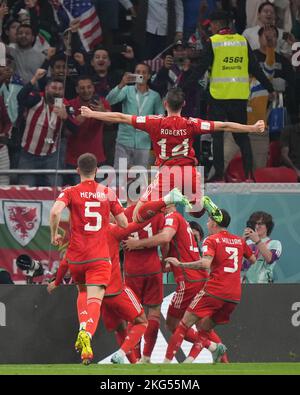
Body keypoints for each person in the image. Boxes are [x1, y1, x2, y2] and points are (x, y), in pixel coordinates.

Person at [80, 86, 265, 222]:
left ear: (164, 103)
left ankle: (172, 198)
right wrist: (252, 128)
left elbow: (121, 117)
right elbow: (224, 125)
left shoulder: (155, 123)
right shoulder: (191, 123)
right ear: (184, 104)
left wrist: (91, 114)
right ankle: (202, 202)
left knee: (139, 212)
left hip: (167, 173)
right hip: (190, 173)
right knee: (196, 211)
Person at [123, 197, 227, 363]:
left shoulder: (171, 218)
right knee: (201, 324)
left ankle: (163, 362)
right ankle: (220, 354)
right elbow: (175, 247)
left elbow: (165, 238)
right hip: (198, 278)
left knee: (172, 324)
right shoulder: (183, 221)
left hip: (188, 281)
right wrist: (168, 260)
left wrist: (137, 244)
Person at [48, 152, 128, 364]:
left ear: (77, 170)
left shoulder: (70, 191)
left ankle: (86, 349)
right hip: (99, 257)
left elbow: (55, 212)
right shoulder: (107, 192)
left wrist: (54, 235)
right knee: (95, 299)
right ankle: (87, 334)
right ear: (97, 171)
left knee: (82, 292)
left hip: (75, 257)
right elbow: (123, 224)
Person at [188, 10, 274, 182]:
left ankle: (219, 174)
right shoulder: (242, 41)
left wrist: (184, 87)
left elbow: (201, 69)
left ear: (219, 24)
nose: (210, 28)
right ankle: (249, 174)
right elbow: (255, 68)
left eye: (211, 24)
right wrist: (269, 87)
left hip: (218, 97)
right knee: (242, 136)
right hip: (238, 97)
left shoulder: (213, 42)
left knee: (218, 136)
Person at [163, 208, 256, 363]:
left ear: (214, 222)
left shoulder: (211, 240)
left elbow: (205, 263)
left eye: (208, 220)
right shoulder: (239, 241)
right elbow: (252, 259)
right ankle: (191, 361)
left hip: (214, 290)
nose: (207, 223)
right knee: (204, 329)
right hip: (234, 295)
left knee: (183, 325)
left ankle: (165, 365)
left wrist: (180, 264)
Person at [17, 69, 78, 187]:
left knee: (55, 188)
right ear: (46, 89)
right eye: (54, 88)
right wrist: (34, 78)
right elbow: (20, 97)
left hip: (51, 156)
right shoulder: (36, 99)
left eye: (60, 89)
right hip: (28, 154)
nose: (57, 92)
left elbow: (76, 129)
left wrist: (66, 117)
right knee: (25, 189)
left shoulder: (65, 106)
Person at [122, 200, 165, 363]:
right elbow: (165, 241)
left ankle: (136, 358)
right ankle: (147, 357)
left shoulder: (124, 214)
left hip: (132, 271)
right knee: (154, 312)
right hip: (153, 267)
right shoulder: (157, 213)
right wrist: (165, 259)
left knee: (133, 317)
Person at [106, 62, 164, 169]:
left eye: (144, 72)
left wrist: (150, 128)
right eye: (138, 72)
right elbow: (109, 101)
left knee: (140, 177)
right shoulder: (126, 90)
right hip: (124, 140)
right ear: (133, 74)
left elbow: (161, 117)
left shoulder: (155, 96)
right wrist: (121, 84)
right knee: (120, 175)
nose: (141, 75)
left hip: (144, 142)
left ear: (149, 76)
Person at [66, 76, 111, 185]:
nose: (86, 91)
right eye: (82, 88)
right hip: (74, 160)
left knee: (99, 196)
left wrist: (102, 112)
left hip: (97, 159)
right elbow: (67, 132)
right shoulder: (70, 105)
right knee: (78, 196)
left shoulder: (102, 104)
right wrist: (86, 113)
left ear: (93, 88)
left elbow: (110, 123)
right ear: (77, 89)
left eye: (89, 87)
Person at [242, 211, 282, 283]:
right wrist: (242, 242)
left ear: (267, 226)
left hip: (264, 286)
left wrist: (257, 241)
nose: (257, 227)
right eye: (254, 224)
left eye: (260, 224)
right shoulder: (246, 243)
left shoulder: (275, 243)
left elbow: (270, 259)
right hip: (244, 285)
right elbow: (236, 264)